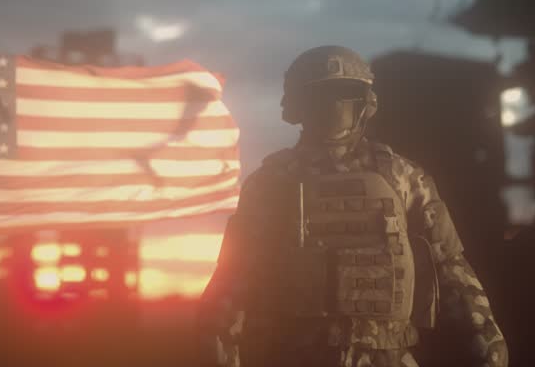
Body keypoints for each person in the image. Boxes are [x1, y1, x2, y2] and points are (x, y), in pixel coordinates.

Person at [197, 46, 507, 367]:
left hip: (387, 355)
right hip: (299, 354)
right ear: (299, 105)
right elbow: (232, 281)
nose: (334, 106)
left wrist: (488, 345)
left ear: (366, 102)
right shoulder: (271, 183)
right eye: (321, 95)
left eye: (344, 93)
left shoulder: (403, 177)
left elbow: (451, 270)